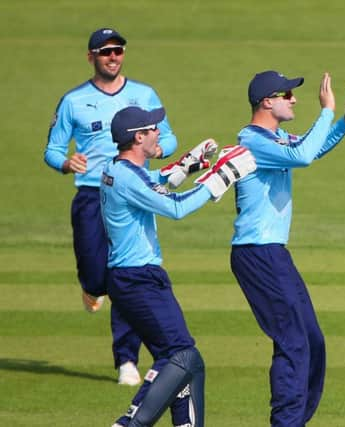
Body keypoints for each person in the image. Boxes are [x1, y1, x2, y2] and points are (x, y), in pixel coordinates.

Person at [102, 106, 256, 427]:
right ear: (138, 137)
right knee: (182, 356)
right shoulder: (127, 178)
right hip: (138, 279)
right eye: (153, 128)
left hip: (132, 278)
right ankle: (130, 422)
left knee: (185, 363)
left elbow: (152, 183)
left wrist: (186, 166)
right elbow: (176, 209)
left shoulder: (118, 169)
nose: (160, 132)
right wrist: (221, 176)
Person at [43, 27, 179, 385]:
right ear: (91, 57)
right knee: (96, 275)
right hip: (92, 193)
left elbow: (168, 135)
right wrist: (65, 162)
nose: (113, 57)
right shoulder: (73, 100)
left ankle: (127, 360)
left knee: (126, 274)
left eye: (118, 50)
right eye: (105, 52)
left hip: (133, 192)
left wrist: (162, 148)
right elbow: (52, 149)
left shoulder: (143, 94)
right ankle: (90, 286)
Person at [229, 70, 345, 427]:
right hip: (257, 253)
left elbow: (310, 149)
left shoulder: (275, 138)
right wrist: (326, 111)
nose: (294, 99)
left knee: (313, 341)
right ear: (266, 101)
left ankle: (294, 421)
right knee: (294, 342)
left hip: (272, 252)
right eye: (287, 94)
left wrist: (344, 122)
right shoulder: (252, 141)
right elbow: (302, 156)